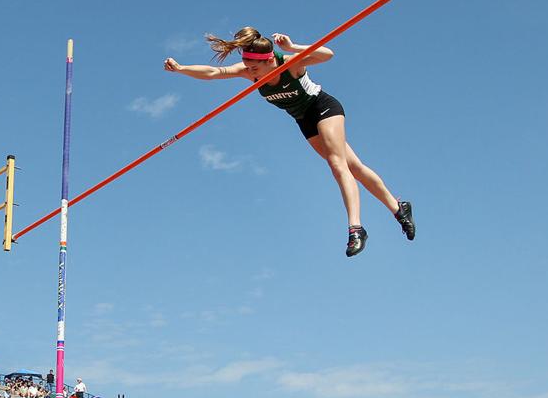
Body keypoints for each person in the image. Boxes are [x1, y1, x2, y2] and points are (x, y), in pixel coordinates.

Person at [164, 27, 414, 257]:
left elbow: (327, 54)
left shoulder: (289, 65)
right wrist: (181, 68)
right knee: (354, 168)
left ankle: (356, 228)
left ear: (270, 59)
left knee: (338, 166)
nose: (250, 73)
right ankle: (398, 207)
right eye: (247, 68)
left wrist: (293, 47)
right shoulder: (248, 70)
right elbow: (213, 73)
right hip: (303, 119)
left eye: (254, 69)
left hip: (323, 108)